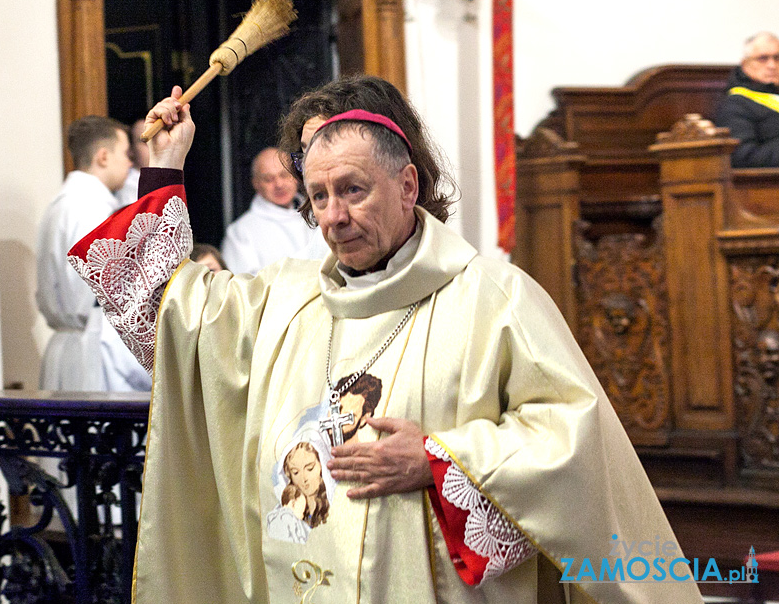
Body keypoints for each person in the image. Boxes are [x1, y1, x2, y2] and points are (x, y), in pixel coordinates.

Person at [67, 78, 700, 602]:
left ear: (407, 185)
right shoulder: (283, 298)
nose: (335, 216)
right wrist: (165, 165)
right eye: (318, 197)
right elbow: (170, 314)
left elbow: (573, 440)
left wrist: (441, 460)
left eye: (352, 190)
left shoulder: (495, 298)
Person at [36, 115, 150, 394]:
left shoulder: (62, 203)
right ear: (103, 157)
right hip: (93, 351)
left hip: (70, 348)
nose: (130, 162)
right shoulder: (91, 209)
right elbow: (107, 293)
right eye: (125, 154)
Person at [220, 147, 327, 274]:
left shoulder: (319, 214)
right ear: (256, 184)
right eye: (269, 179)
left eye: (284, 175)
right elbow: (242, 286)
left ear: (296, 177)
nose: (279, 184)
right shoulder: (240, 233)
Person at [715, 31, 779, 167]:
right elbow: (743, 157)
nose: (772, 65)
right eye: (763, 58)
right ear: (745, 64)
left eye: (777, 58)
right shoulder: (735, 105)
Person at [114, 118, 149, 205]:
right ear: (131, 149)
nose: (153, 146)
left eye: (157, 139)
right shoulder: (126, 186)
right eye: (145, 141)